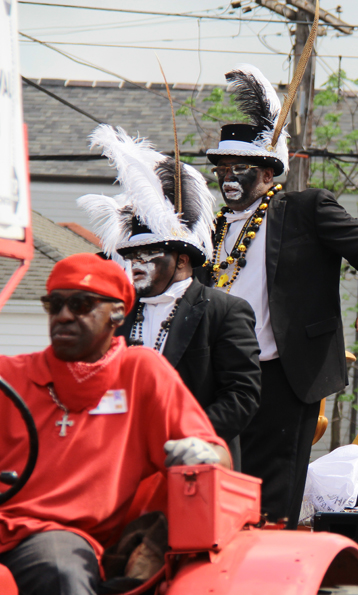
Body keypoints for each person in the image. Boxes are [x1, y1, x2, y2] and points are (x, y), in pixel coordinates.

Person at [205, 64, 358, 523]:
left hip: (288, 373)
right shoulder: (209, 227)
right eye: (223, 169)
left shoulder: (306, 208)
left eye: (240, 168)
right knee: (224, 477)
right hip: (226, 374)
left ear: (269, 171)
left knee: (276, 486)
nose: (229, 178)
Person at [0, 253, 229, 595]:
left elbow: (216, 458)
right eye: (55, 304)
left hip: (56, 536)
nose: (63, 315)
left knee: (58, 571)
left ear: (117, 313)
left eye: (80, 304)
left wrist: (202, 454)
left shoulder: (139, 371)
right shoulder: (10, 375)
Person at [78, 124, 261, 472]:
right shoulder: (119, 312)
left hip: (198, 464)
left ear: (180, 259)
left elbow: (242, 396)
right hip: (121, 461)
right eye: (132, 256)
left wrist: (187, 435)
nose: (136, 265)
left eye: (148, 255)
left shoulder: (224, 311)